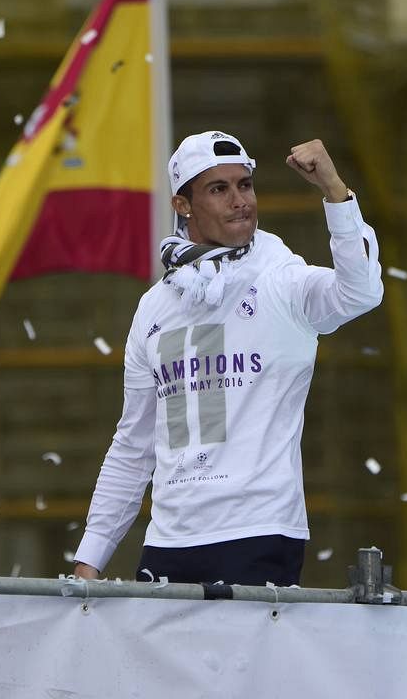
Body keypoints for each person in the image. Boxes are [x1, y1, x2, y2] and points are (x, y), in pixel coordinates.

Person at [73, 131, 383, 586]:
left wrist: (335, 192)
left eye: (245, 185)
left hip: (258, 533)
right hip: (168, 541)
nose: (240, 201)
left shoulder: (282, 279)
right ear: (183, 205)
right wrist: (90, 557)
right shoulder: (154, 307)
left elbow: (361, 292)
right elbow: (133, 445)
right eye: (219, 189)